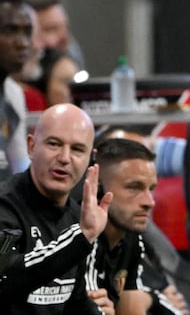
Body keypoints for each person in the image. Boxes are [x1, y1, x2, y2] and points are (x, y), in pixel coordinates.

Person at [0, 103, 114, 314]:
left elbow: (77, 303)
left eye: (78, 149)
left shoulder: (77, 217)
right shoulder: (4, 206)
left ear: (91, 158)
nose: (64, 157)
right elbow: (5, 277)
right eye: (54, 144)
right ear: (31, 147)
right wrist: (81, 236)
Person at [84, 138, 187, 314]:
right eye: (134, 188)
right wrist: (151, 298)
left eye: (151, 188)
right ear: (98, 189)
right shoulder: (77, 238)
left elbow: (131, 308)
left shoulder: (129, 237)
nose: (150, 202)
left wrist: (149, 298)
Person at [0, 0, 34, 178]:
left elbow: (20, 166)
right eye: (10, 31)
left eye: (27, 32)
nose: (22, 43)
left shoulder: (13, 94)